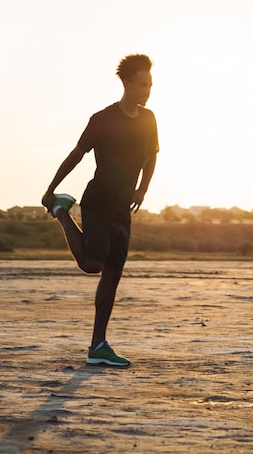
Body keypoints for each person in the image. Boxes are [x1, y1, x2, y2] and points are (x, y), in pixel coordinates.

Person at [42, 54, 159, 367]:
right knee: (92, 264)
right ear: (127, 83)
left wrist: (143, 188)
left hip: (123, 210)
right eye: (143, 84)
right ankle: (62, 212)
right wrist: (51, 188)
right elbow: (77, 155)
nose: (148, 89)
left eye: (150, 84)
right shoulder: (102, 119)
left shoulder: (149, 119)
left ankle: (98, 345)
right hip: (97, 203)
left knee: (112, 278)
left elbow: (151, 156)